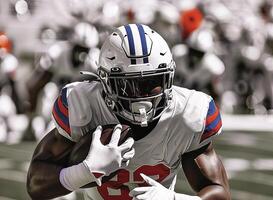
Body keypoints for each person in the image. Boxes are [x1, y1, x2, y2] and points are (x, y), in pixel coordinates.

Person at [26, 24, 230, 200]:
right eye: (128, 85)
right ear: (105, 82)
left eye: (152, 82)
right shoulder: (83, 106)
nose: (142, 97)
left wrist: (174, 198)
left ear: (168, 78)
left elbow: (219, 192)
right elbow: (36, 185)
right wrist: (85, 171)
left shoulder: (187, 114)